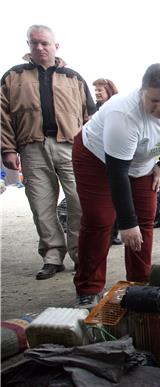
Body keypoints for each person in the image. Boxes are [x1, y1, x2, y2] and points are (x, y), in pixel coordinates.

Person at [72, 63, 160, 307]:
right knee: (100, 220)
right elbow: (117, 173)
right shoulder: (123, 113)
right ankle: (88, 287)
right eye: (154, 100)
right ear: (142, 92)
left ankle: (138, 283)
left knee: (146, 219)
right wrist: (126, 223)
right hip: (96, 157)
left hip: (142, 162)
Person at [1, 25, 96, 280]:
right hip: (31, 146)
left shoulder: (73, 77)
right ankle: (52, 256)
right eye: (34, 43)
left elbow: (91, 116)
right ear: (28, 46)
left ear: (56, 45)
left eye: (44, 43)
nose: (39, 47)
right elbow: (3, 116)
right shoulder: (13, 76)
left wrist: (92, 151)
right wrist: (7, 148)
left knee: (78, 201)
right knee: (41, 204)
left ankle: (81, 254)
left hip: (70, 146)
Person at [93, 78, 122, 245]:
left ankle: (113, 233)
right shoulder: (94, 109)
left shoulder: (115, 108)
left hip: (113, 157)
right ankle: (105, 233)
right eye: (96, 91)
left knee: (116, 196)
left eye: (100, 90)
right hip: (97, 156)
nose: (97, 93)